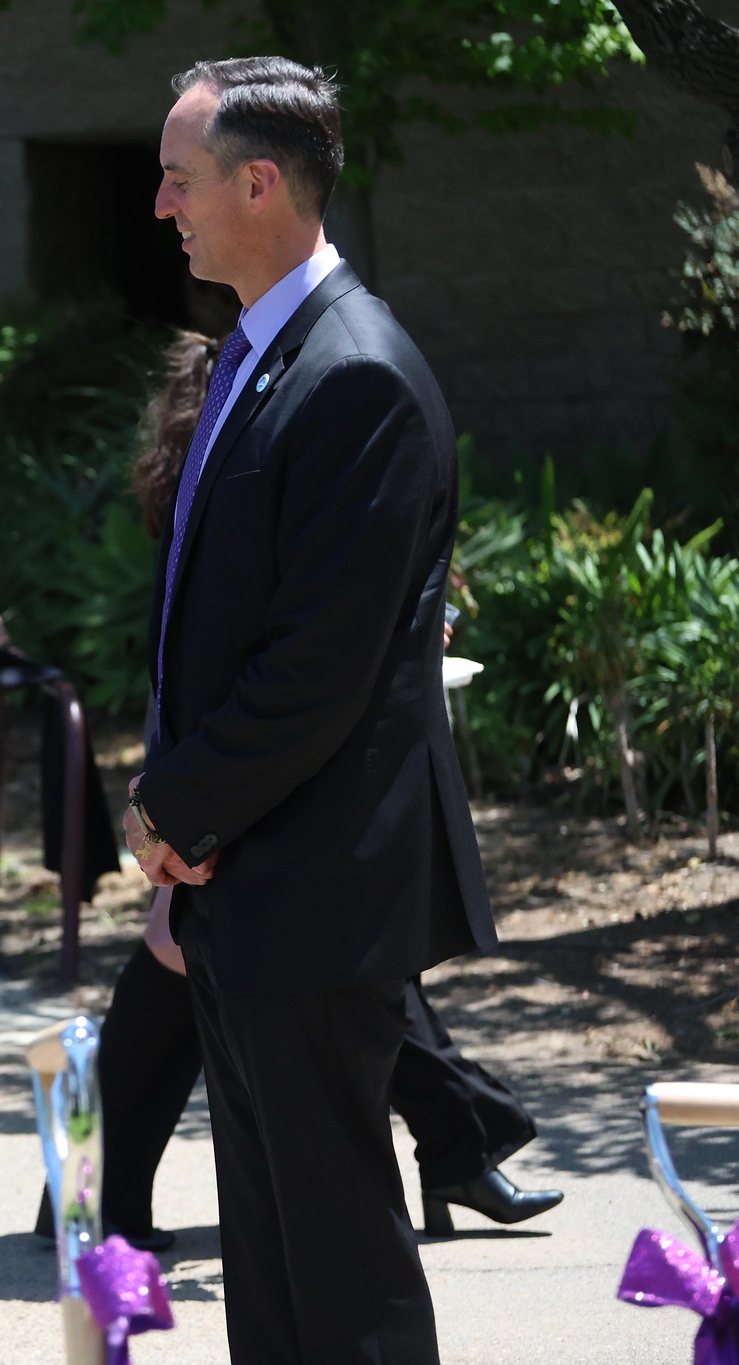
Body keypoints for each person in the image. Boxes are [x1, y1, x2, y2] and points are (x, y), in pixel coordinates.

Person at [125, 58, 497, 1363]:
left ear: (259, 182)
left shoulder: (356, 375)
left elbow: (317, 669)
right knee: (274, 1248)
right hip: (253, 879)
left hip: (315, 885)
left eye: (179, 178)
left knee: (339, 1257)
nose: (161, 204)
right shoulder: (265, 350)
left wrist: (173, 807)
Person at [41, 334, 559, 1252]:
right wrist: (176, 804)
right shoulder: (228, 475)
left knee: (299, 998)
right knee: (209, 991)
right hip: (226, 796)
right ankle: (83, 1196)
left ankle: (84, 1196)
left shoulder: (268, 450)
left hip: (232, 795)